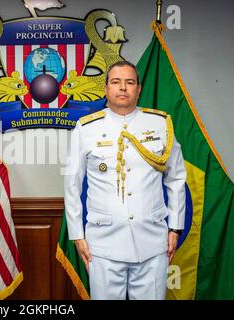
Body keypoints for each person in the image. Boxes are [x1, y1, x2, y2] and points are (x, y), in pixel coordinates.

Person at [64, 61, 186, 300]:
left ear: (138, 89)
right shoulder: (86, 128)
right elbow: (72, 185)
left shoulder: (160, 124)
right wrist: (77, 235)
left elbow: (176, 178)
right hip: (103, 244)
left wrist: (175, 227)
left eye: (129, 82)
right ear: (106, 88)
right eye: (116, 82)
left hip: (152, 240)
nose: (123, 88)